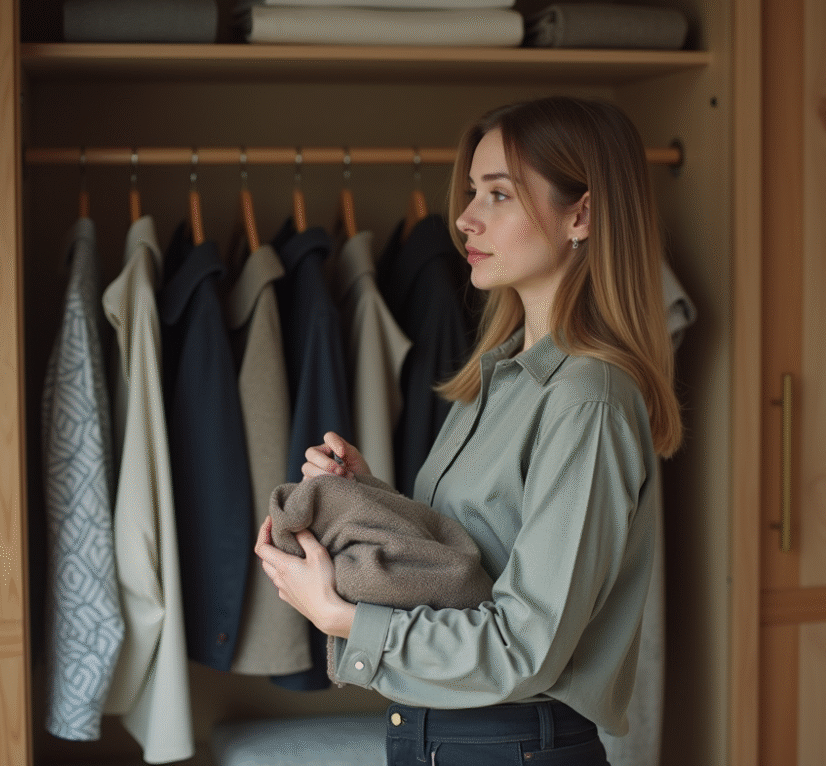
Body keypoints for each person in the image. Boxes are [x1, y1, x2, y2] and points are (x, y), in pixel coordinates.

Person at [254, 95, 683, 766]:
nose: (464, 217)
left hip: (509, 743)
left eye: (499, 194)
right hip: (450, 737)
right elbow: (469, 566)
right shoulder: (500, 377)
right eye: (472, 191)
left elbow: (524, 649)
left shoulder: (587, 400)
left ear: (583, 215)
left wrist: (344, 619)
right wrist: (369, 497)